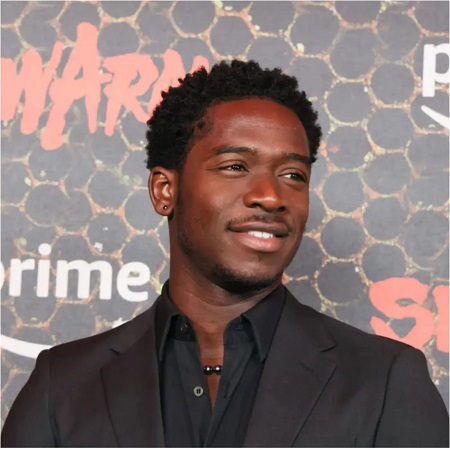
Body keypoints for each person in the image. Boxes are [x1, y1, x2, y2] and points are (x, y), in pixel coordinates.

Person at [2, 60, 448, 448]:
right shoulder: (63, 385)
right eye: (235, 166)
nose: (271, 196)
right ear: (165, 190)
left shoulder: (384, 380)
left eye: (293, 174)